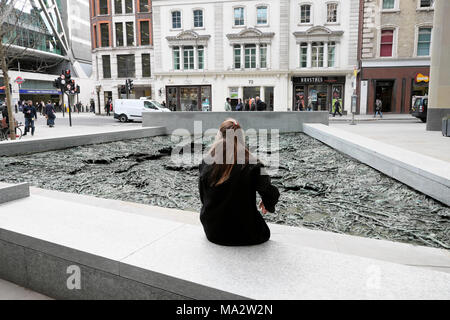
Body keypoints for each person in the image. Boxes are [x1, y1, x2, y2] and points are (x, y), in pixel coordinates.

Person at [199, 119, 280, 246]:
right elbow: (271, 192)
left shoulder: (206, 162)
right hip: (247, 234)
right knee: (263, 229)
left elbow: (203, 198)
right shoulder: (253, 164)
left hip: (213, 231)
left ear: (219, 137)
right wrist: (267, 203)